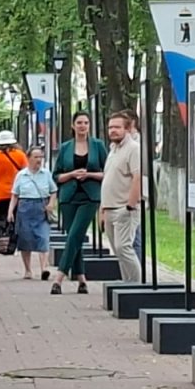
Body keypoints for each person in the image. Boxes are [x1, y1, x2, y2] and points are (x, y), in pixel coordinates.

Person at [50, 111, 108, 295]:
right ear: (73, 126)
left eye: (86, 123)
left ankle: (59, 277)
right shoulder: (65, 147)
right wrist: (72, 174)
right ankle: (82, 279)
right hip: (68, 197)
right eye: (79, 123)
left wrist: (89, 174)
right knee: (73, 238)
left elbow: (108, 172)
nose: (83, 126)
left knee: (75, 234)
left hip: (90, 197)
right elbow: (56, 176)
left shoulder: (98, 146)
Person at [101, 113, 143, 283]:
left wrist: (130, 206)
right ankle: (127, 284)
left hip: (124, 208)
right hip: (109, 208)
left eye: (117, 127)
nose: (113, 130)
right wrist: (102, 208)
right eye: (110, 127)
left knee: (123, 247)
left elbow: (137, 177)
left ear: (127, 129)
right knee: (117, 250)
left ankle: (136, 285)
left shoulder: (134, 148)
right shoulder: (113, 149)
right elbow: (108, 179)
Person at [7, 146, 57, 280]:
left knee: (43, 238)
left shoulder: (46, 174)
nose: (39, 160)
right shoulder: (21, 175)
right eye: (36, 157)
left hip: (41, 207)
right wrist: (10, 211)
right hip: (25, 207)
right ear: (28, 158)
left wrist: (51, 203)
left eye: (41, 157)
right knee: (25, 239)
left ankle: (44, 268)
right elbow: (15, 195)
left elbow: (53, 190)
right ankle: (28, 270)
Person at [0, 131, 27, 230]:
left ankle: (3, 237)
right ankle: (13, 238)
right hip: (17, 194)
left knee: (1, 224)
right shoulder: (21, 155)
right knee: (16, 224)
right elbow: (26, 174)